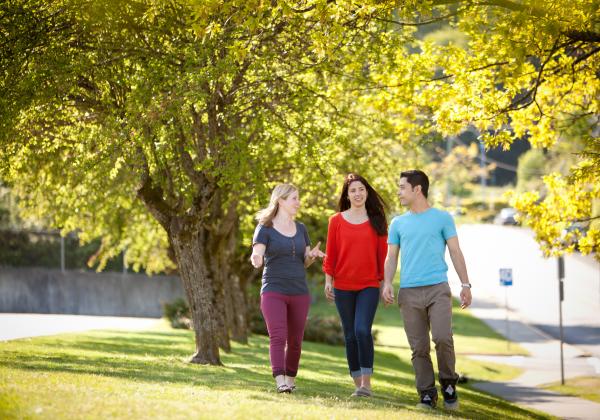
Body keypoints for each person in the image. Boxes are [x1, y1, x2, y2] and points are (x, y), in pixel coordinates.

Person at [382, 169, 472, 410]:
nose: (398, 192)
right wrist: (388, 282)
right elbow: (391, 257)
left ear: (417, 189)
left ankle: (449, 383)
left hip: (438, 289)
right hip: (409, 292)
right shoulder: (398, 223)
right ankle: (426, 394)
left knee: (443, 338)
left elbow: (455, 251)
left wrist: (465, 284)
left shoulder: (442, 218)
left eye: (402, 187)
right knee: (419, 348)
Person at [251, 183, 326, 393]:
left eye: (298, 198)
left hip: (299, 291)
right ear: (281, 201)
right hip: (273, 289)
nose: (298, 202)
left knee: (295, 341)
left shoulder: (301, 228)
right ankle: (280, 380)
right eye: (294, 198)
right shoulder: (265, 227)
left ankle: (291, 379)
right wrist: (256, 258)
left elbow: (305, 261)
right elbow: (257, 253)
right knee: (278, 336)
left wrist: (311, 256)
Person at [322, 173, 388, 397]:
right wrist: (328, 281)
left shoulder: (377, 220)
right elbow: (330, 254)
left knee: (362, 329)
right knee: (349, 334)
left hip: (369, 284)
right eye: (353, 191)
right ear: (347, 195)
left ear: (367, 192)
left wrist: (386, 283)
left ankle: (366, 384)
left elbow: (384, 256)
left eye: (361, 189)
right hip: (342, 286)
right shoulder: (336, 221)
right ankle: (357, 383)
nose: (358, 194)